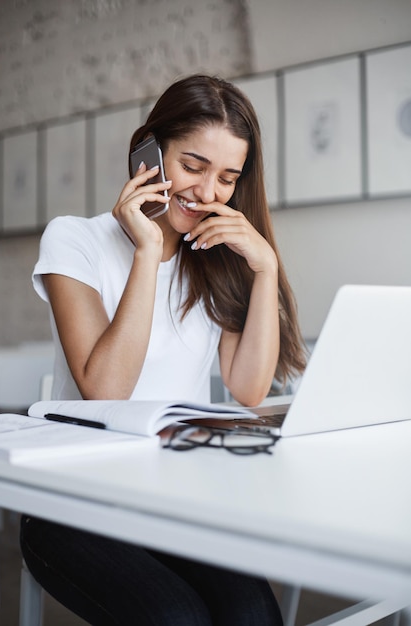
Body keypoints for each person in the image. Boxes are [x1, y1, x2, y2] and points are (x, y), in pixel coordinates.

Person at [20, 74, 306, 625]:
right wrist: (149, 250)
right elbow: (106, 389)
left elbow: (247, 389)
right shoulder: (73, 239)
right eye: (192, 167)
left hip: (175, 493)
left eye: (227, 178)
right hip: (71, 500)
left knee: (253, 613)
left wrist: (265, 269)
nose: (207, 193)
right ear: (147, 153)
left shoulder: (215, 257)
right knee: (176, 618)